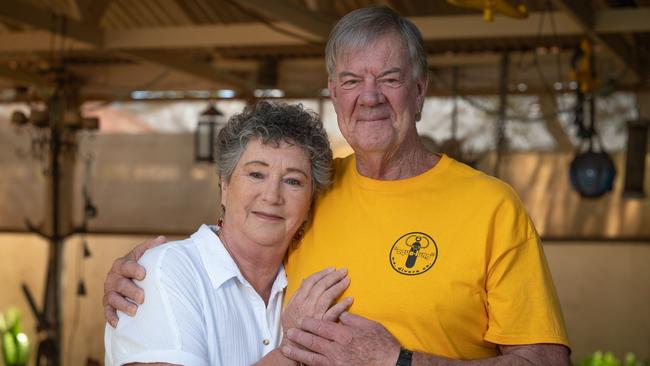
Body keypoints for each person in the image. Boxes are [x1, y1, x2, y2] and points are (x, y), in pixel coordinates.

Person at [104, 6, 571, 365]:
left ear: (420, 90)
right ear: (333, 92)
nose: (370, 97)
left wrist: (399, 360)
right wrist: (153, 270)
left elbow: (548, 360)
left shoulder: (491, 206)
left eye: (390, 78)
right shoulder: (315, 189)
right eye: (352, 80)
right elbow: (245, 233)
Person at [104, 101, 354, 365]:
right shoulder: (166, 271)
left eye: (293, 181)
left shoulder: (305, 288)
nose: (272, 196)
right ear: (224, 185)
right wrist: (293, 348)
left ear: (309, 203)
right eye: (256, 174)